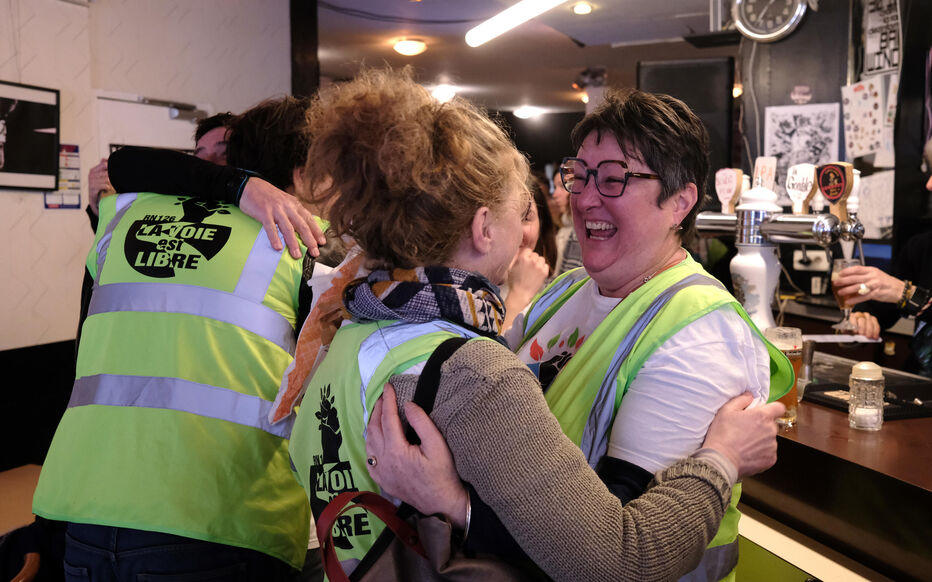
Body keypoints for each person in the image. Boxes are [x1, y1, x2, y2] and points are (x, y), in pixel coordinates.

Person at [284, 67, 786, 582]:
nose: (583, 197)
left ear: (681, 200)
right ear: (484, 227)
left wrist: (458, 504)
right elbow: (600, 549)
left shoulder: (697, 327)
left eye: (613, 177)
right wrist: (723, 456)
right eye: (581, 174)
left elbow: (617, 554)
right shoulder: (554, 298)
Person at [33, 97, 318, 581]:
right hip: (219, 519)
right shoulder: (304, 246)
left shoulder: (120, 221)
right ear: (307, 169)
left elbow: (124, 165)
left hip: (83, 508)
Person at [836, 139, 932, 376]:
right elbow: (880, 307)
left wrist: (908, 294)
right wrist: (861, 318)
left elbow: (901, 293)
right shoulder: (922, 246)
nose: (929, 185)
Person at [501, 172, 555, 331]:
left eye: (526, 218)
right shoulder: (470, 292)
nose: (517, 232)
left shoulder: (555, 292)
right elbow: (484, 355)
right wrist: (519, 295)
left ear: (541, 225)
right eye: (506, 217)